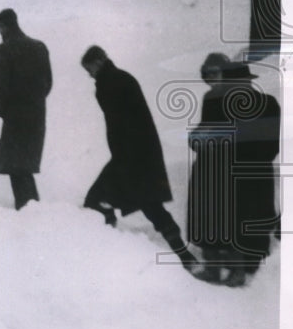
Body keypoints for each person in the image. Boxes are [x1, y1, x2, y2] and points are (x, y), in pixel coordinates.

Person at [80, 45, 198, 272]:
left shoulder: (107, 84)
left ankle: (108, 254)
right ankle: (185, 256)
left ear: (97, 62)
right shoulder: (122, 78)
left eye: (90, 69)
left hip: (128, 157)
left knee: (96, 200)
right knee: (150, 205)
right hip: (141, 154)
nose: (90, 75)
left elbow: (119, 124)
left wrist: (123, 157)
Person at [187, 54, 281, 286]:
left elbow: (209, 135)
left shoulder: (220, 100)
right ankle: (232, 270)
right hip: (245, 172)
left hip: (224, 171)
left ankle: (221, 270)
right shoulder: (266, 102)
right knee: (233, 221)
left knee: (222, 221)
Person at [0, 8, 52, 210]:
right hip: (36, 114)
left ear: (2, 27)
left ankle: (27, 208)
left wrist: (3, 110)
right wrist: (35, 101)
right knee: (23, 164)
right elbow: (48, 82)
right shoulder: (40, 47)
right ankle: (31, 206)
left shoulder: (4, 49)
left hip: (15, 115)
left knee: (16, 165)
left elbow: (0, 86)